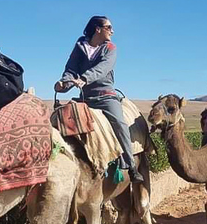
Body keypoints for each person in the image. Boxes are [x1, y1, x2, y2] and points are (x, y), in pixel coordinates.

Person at [54, 16, 145, 184]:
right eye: (109, 27)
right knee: (60, 121)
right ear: (98, 29)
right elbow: (71, 68)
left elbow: (102, 69)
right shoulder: (80, 47)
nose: (112, 30)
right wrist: (63, 83)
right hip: (84, 97)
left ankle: (131, 166)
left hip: (105, 96)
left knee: (120, 123)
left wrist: (84, 78)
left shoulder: (110, 48)